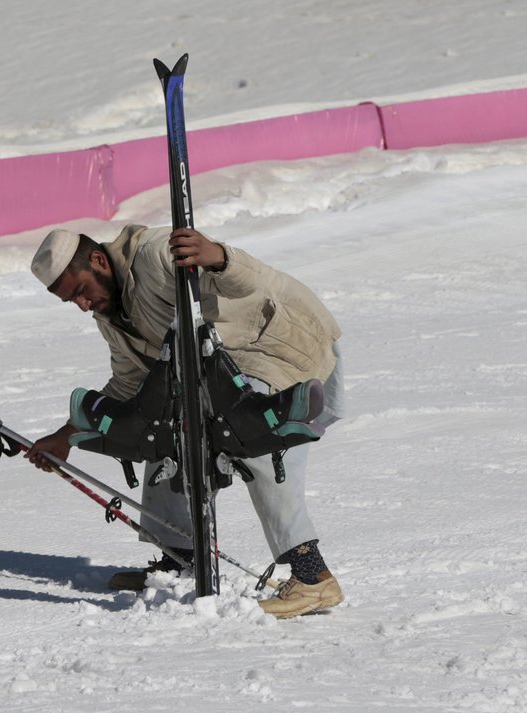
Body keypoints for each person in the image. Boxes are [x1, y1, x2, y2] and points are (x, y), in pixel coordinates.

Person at [25, 224, 345, 618]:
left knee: (251, 432)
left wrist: (219, 257)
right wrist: (66, 437)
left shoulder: (156, 254)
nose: (82, 305)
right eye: (70, 301)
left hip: (277, 344)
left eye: (79, 291)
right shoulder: (112, 316)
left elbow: (251, 283)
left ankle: (313, 576)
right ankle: (181, 561)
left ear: (97, 260)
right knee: (161, 425)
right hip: (224, 367)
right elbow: (131, 384)